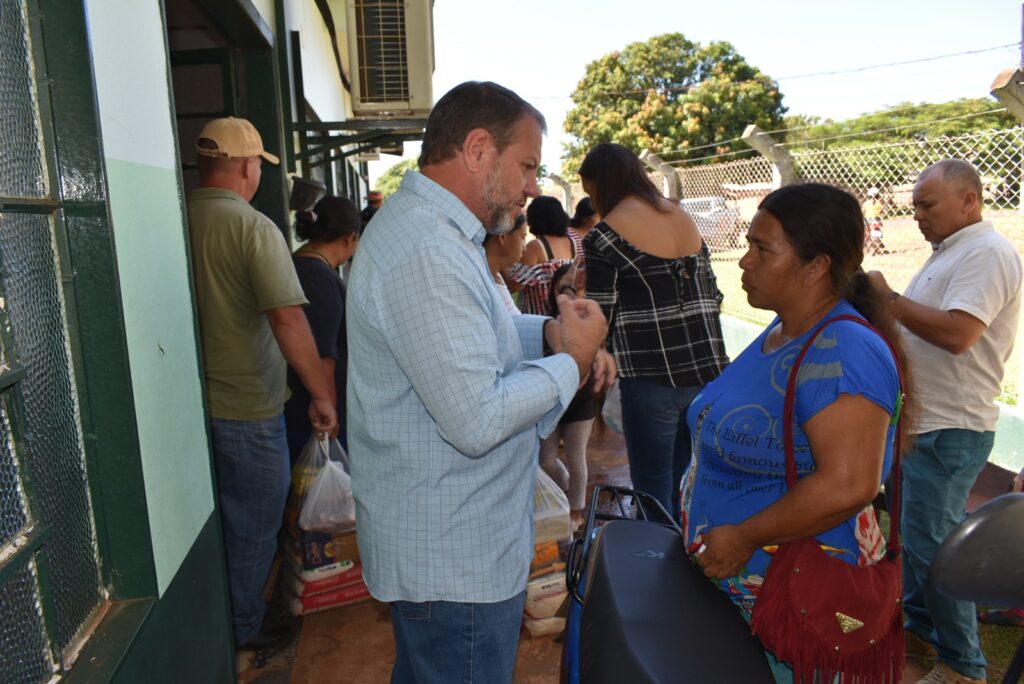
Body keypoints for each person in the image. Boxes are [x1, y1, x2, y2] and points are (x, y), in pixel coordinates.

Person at [345, 81, 613, 684]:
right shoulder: (426, 250)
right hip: (454, 558)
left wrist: (550, 335)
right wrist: (572, 361)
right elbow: (479, 419)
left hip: (454, 543)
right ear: (476, 149)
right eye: (526, 166)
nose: (532, 186)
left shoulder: (444, 234)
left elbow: (481, 334)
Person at [684, 183, 911, 683]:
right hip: (745, 584)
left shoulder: (844, 350)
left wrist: (744, 535)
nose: (744, 261)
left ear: (816, 266)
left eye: (762, 249)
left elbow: (850, 484)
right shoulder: (784, 329)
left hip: (795, 598)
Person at [868, 159, 1022, 684]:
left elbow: (959, 334)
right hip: (926, 423)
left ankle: (963, 665)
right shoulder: (953, 252)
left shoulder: (987, 253)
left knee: (937, 547)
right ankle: (919, 637)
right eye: (913, 206)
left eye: (926, 205)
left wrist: (888, 299)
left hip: (952, 426)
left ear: (969, 200)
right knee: (917, 537)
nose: (917, 216)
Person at [186, 116, 338, 649]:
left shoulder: (179, 217)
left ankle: (221, 620)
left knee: (213, 525)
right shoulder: (252, 227)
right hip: (248, 405)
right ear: (249, 167)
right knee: (254, 524)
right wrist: (320, 393)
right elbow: (288, 319)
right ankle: (244, 631)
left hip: (191, 404)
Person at [580, 142, 729, 522]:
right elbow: (714, 295)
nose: (591, 200)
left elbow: (600, 314)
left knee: (652, 489)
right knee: (688, 483)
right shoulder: (682, 216)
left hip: (651, 378)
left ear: (602, 183)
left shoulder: (604, 236)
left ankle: (661, 569)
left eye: (589, 190)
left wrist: (568, 292)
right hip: (708, 375)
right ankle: (687, 561)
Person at [284, 195, 361, 458]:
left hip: (300, 404)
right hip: (313, 413)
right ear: (351, 237)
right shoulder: (319, 277)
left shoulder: (295, 265)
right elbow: (323, 356)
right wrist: (330, 408)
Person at [539, 262, 599, 531]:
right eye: (566, 288)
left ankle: (576, 511)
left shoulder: (592, 323)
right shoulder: (545, 322)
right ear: (555, 291)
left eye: (578, 288)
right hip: (553, 400)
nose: (573, 294)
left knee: (576, 457)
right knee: (546, 459)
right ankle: (563, 488)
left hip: (581, 402)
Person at [507, 195, 577, 315]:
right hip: (562, 315)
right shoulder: (571, 242)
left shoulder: (536, 247)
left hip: (538, 319)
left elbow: (514, 285)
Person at [483, 213, 528, 315]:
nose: (524, 248)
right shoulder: (481, 283)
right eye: (522, 238)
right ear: (502, 236)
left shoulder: (497, 278)